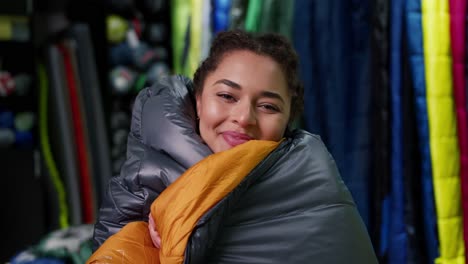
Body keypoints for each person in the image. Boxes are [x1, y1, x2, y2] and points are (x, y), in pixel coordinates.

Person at [90, 30, 377, 263]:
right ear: (199, 100)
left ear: (288, 119)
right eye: (227, 96)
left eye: (267, 106)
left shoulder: (314, 185)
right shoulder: (143, 179)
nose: (244, 118)